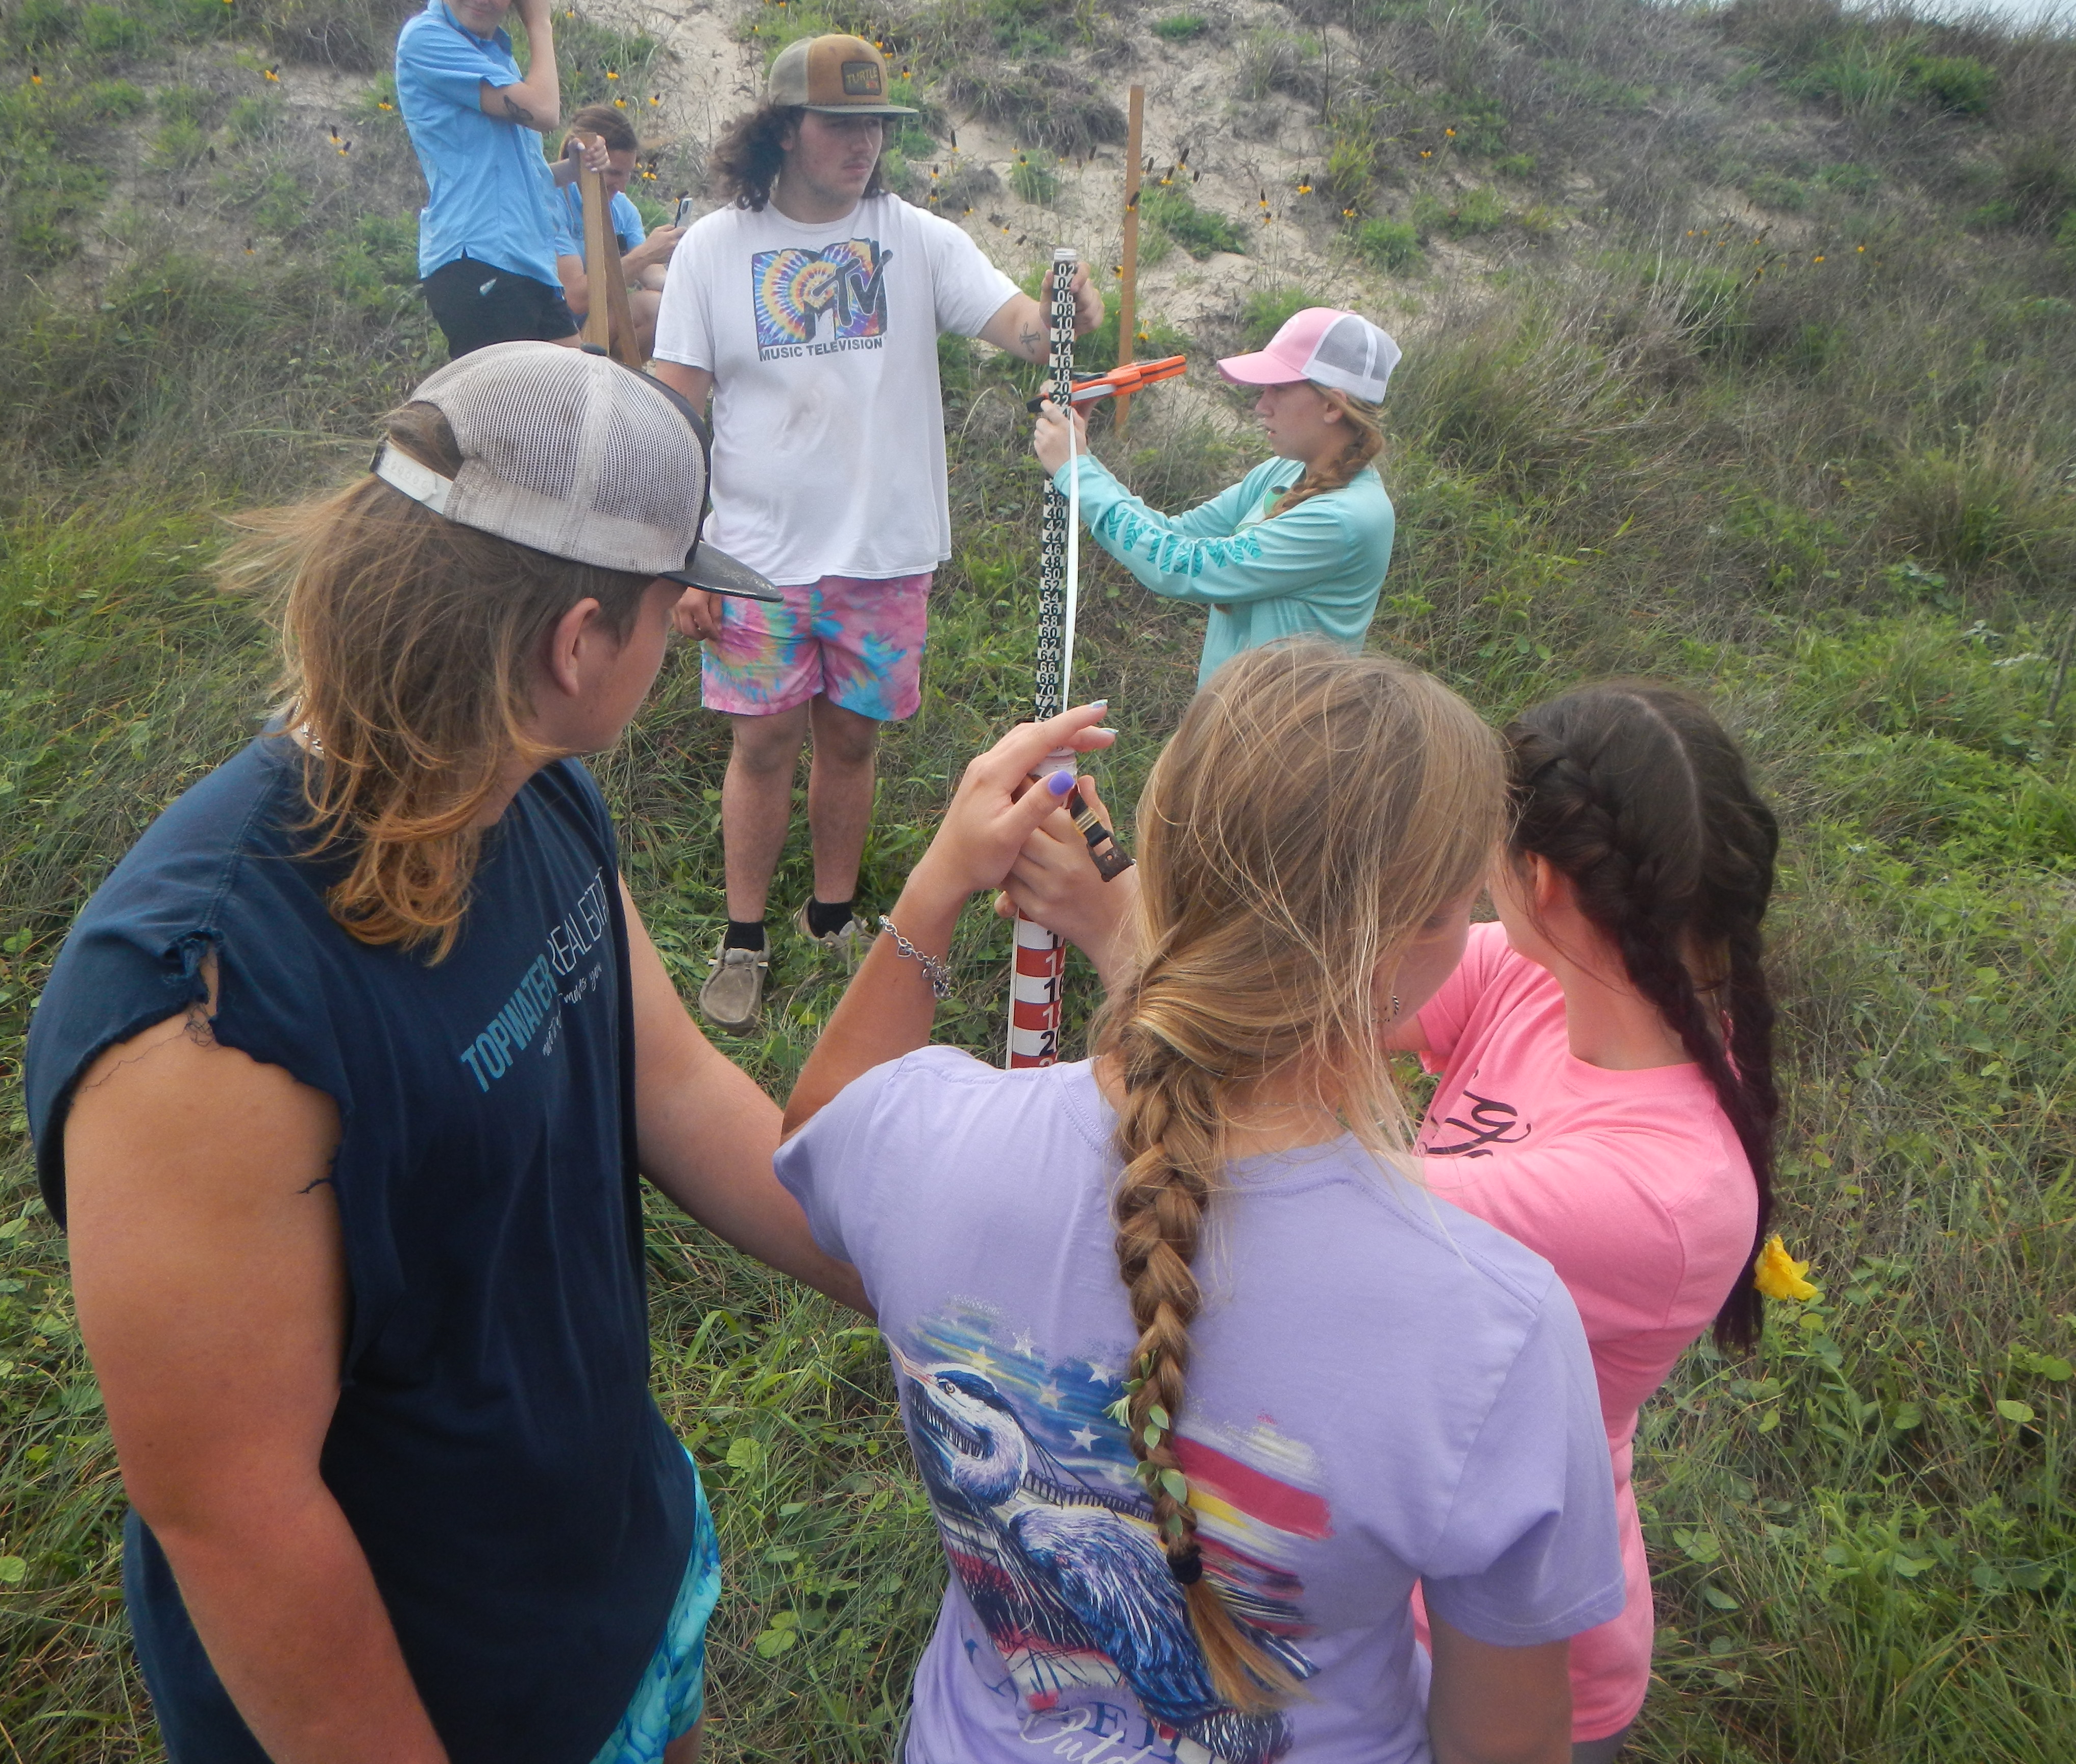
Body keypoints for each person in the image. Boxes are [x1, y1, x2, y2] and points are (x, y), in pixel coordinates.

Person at [24, 344, 865, 1764]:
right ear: (580, 641)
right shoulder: (208, 1014)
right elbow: (237, 1515)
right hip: (440, 1690)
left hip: (615, 1572)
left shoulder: (531, 793)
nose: (691, 641)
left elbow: (671, 1086)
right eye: (676, 610)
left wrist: (945, 1276)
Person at [777, 642, 1626, 1764]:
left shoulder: (926, 1142)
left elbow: (817, 1134)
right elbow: (1503, 1748)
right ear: (1418, 943)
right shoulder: (1495, 1330)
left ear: (1155, 853)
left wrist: (937, 885)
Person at [1010, 680, 1781, 1764]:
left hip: (1503, 1646)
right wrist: (1130, 895)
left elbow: (1288, 1185)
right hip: (1380, 1569)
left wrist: (1118, 925)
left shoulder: (1662, 1192)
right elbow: (1297, 1004)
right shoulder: (1551, 976)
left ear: (1542, 882)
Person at [648, 33, 1105, 1033]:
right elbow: (674, 409)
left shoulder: (918, 240)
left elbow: (1020, 325)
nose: (862, 144)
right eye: (840, 123)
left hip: (885, 552)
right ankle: (743, 939)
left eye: (876, 127)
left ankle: (830, 917)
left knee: (850, 742)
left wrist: (1062, 315)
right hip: (752, 558)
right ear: (782, 129)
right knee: (762, 746)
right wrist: (676, 552)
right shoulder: (716, 252)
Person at [1032, 305, 1400, 691]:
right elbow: (1175, 533)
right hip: (1228, 726)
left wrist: (1076, 473)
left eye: (1280, 388)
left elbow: (1182, 565)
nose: (1261, 405)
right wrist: (1082, 459)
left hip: (1283, 740)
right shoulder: (1284, 472)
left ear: (1332, 406)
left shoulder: (1345, 518)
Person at [397, 0, 613, 359]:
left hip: (530, 264)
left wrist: (572, 169)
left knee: (576, 395)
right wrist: (540, 22)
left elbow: (513, 172)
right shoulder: (427, 37)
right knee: (510, 411)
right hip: (480, 256)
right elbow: (544, 112)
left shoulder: (497, 55)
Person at [552, 103, 683, 358]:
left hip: (599, 322)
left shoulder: (623, 209)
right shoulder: (554, 203)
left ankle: (616, 383)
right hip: (556, 330)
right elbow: (575, 298)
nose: (622, 188)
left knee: (665, 306)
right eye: (613, 173)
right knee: (650, 309)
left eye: (628, 176)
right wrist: (644, 255)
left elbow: (654, 276)